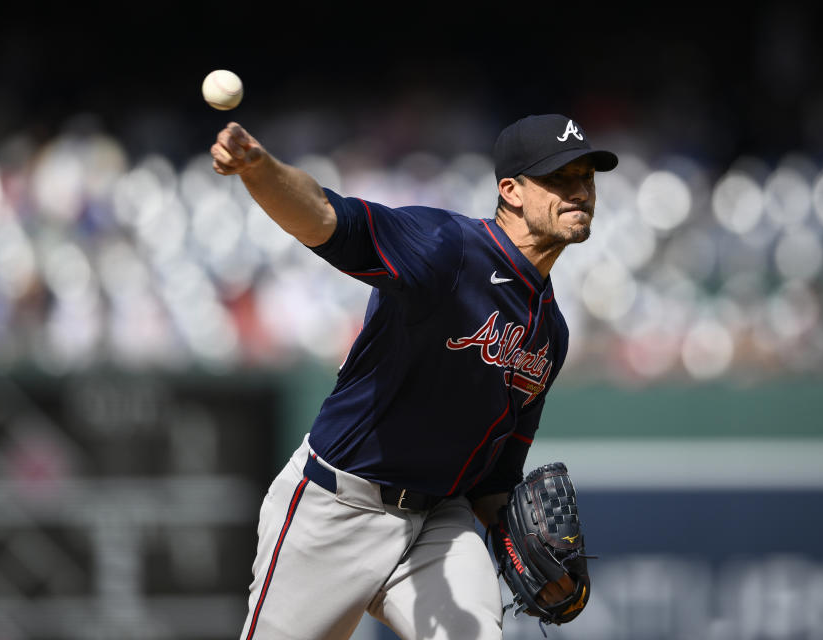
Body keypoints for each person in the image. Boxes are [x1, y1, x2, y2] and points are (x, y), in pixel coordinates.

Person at [210, 113, 618, 640]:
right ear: (511, 191)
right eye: (560, 177)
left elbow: (496, 475)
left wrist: (516, 540)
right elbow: (328, 219)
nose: (580, 190)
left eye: (586, 176)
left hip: (438, 524)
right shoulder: (446, 247)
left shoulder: (551, 331)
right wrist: (259, 169)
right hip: (337, 508)